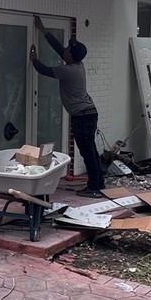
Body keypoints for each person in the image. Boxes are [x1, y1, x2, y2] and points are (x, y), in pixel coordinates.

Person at [29, 16, 105, 197]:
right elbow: (59, 49)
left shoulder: (68, 71)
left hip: (82, 116)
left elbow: (44, 70)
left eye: (69, 49)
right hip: (88, 114)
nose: (66, 50)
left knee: (87, 152)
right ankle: (98, 182)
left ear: (71, 55)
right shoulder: (77, 64)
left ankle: (94, 187)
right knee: (90, 150)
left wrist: (33, 59)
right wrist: (43, 30)